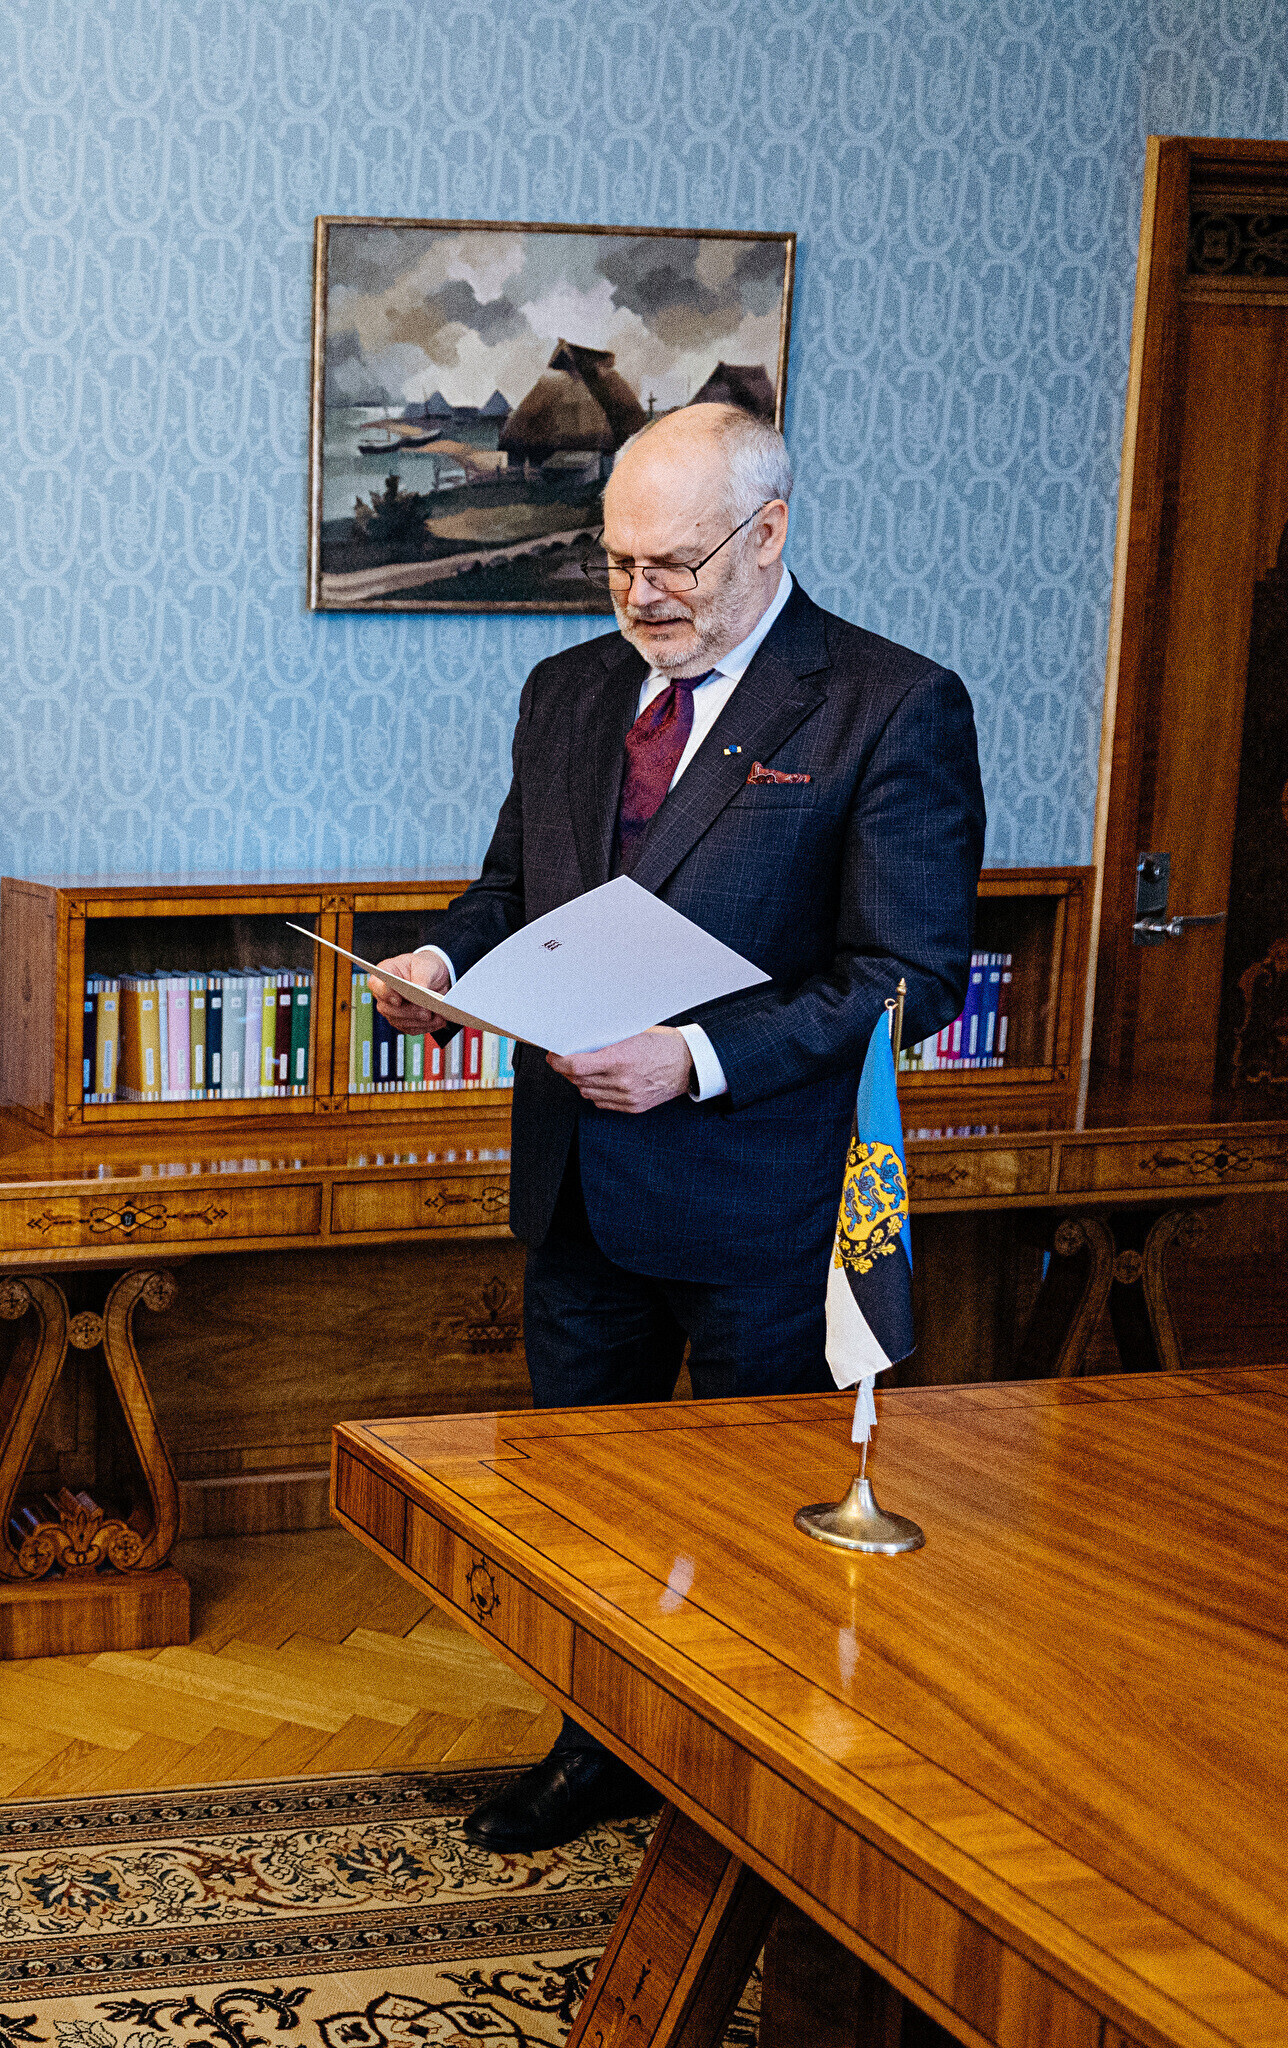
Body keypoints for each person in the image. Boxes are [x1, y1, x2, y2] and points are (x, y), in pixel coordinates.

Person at [368, 405, 984, 1852]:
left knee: (750, 1519)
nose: (642, 593)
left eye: (675, 564)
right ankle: (599, 1747)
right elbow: (512, 890)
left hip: (761, 1206)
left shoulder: (889, 704)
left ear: (769, 534)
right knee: (582, 1505)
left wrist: (697, 1058)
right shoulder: (569, 690)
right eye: (618, 561)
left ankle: (750, 1790)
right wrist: (444, 963)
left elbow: (911, 975)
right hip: (579, 1187)